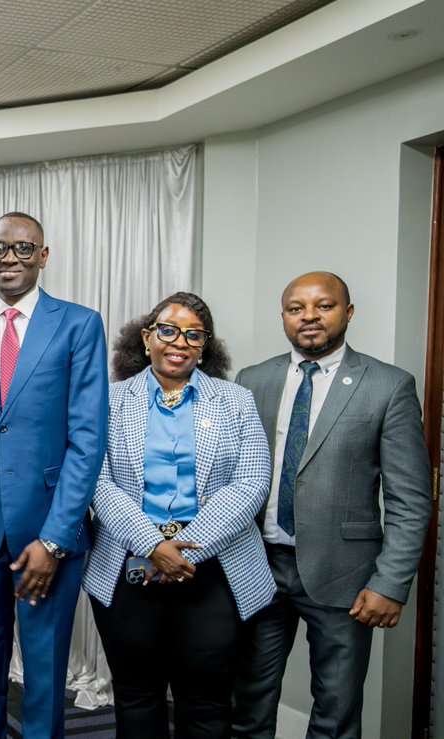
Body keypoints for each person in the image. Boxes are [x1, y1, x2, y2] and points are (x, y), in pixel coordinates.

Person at [232, 271, 432, 738]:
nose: (309, 317)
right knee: (248, 705)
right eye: (296, 308)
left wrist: (391, 583)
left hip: (346, 576)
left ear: (349, 312)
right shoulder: (252, 380)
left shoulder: (388, 385)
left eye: (324, 305)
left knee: (336, 714)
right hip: (258, 567)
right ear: (283, 317)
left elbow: (410, 499)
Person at [0, 211, 109, 737]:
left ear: (44, 256)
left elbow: (88, 440)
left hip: (48, 536)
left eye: (23, 249)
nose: (9, 259)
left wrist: (54, 541)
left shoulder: (79, 324)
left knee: (44, 677)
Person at [83, 292, 275, 738]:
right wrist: (152, 545)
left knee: (206, 702)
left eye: (194, 335)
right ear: (147, 337)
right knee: (136, 697)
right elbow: (97, 481)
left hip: (214, 571)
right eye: (168, 330)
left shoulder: (236, 400)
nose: (180, 342)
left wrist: (185, 552)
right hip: (129, 569)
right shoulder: (109, 401)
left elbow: (251, 483)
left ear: (205, 346)